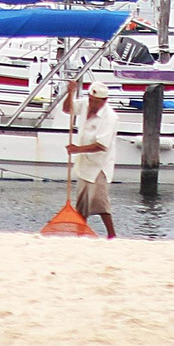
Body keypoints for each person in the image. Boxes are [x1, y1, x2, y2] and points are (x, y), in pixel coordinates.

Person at [62, 76, 120, 237]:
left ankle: (111, 234)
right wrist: (70, 93)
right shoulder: (85, 104)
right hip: (84, 162)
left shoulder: (110, 117)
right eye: (92, 100)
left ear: (104, 100)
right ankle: (81, 233)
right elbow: (68, 110)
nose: (93, 104)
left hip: (100, 164)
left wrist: (77, 149)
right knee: (82, 202)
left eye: (97, 102)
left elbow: (101, 145)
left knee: (100, 201)